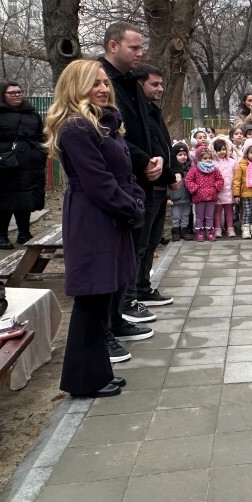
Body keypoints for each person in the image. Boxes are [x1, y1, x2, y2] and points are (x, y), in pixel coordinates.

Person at [44, 59, 144, 397]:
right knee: (92, 299)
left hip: (108, 214)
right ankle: (83, 380)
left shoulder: (101, 124)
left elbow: (121, 173)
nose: (103, 88)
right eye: (94, 83)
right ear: (76, 88)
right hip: (93, 217)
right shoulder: (76, 127)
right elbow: (99, 182)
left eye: (105, 82)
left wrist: (134, 200)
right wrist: (131, 207)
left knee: (103, 297)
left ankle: (97, 373)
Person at [99, 22, 160, 349]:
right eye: (134, 48)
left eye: (141, 48)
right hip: (119, 179)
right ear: (113, 45)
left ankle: (117, 317)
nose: (140, 53)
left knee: (129, 252)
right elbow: (109, 134)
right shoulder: (102, 80)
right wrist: (143, 160)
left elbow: (141, 129)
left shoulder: (130, 82)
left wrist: (156, 159)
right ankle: (106, 326)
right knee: (116, 255)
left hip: (139, 177)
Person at [128, 64, 176, 307]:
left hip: (161, 187)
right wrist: (169, 175)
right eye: (154, 84)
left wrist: (173, 174)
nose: (160, 88)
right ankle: (133, 293)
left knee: (152, 242)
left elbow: (165, 147)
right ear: (139, 84)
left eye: (161, 83)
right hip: (147, 187)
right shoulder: (138, 115)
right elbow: (151, 151)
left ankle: (143, 287)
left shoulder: (153, 111)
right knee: (141, 244)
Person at [0, 81, 46, 249]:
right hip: (2, 164)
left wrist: (41, 151)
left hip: (29, 163)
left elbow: (41, 135)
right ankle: (1, 236)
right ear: (3, 95)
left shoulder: (32, 114)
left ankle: (24, 233)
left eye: (19, 92)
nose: (17, 95)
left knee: (26, 199)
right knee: (3, 200)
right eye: (12, 93)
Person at [185, 147, 223, 241]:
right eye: (205, 158)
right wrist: (196, 189)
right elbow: (188, 180)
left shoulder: (214, 169)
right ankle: (200, 232)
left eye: (209, 158)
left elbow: (220, 180)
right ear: (199, 159)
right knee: (199, 216)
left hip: (211, 196)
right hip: (199, 196)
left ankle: (210, 232)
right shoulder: (194, 170)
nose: (208, 160)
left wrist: (214, 188)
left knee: (210, 215)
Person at [212, 138, 237, 237]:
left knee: (229, 210)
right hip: (218, 191)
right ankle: (217, 228)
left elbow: (236, 175)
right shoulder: (213, 163)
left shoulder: (232, 162)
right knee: (217, 210)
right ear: (214, 151)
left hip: (229, 190)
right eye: (218, 150)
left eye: (223, 149)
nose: (221, 152)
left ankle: (230, 228)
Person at [167, 142, 192, 241]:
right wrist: (168, 197)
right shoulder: (171, 169)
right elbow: (168, 185)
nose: (183, 157)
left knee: (185, 215)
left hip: (187, 197)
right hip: (175, 198)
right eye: (180, 155)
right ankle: (175, 232)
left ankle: (184, 230)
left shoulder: (190, 168)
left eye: (185, 154)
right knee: (176, 216)